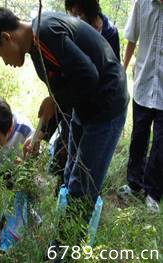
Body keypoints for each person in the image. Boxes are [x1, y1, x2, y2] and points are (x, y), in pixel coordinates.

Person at [0, 8, 129, 215]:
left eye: (0, 54)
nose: (5, 62)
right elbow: (64, 88)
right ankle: (62, 237)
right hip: (83, 105)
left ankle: (66, 246)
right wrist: (41, 134)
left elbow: (88, 76)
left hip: (107, 104)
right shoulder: (35, 47)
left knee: (82, 189)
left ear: (7, 38)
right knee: (70, 174)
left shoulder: (45, 32)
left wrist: (54, 100)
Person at [44, 0, 121, 187]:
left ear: (88, 8)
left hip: (100, 106)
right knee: (68, 153)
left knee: (87, 166)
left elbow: (111, 69)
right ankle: (63, 187)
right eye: (70, 11)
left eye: (77, 11)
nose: (73, 16)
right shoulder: (72, 30)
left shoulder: (110, 31)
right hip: (76, 102)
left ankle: (81, 194)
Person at [118, 0, 163, 213]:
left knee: (161, 144)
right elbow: (131, 39)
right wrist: (122, 71)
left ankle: (153, 192)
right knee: (139, 136)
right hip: (144, 84)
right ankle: (134, 183)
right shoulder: (142, 3)